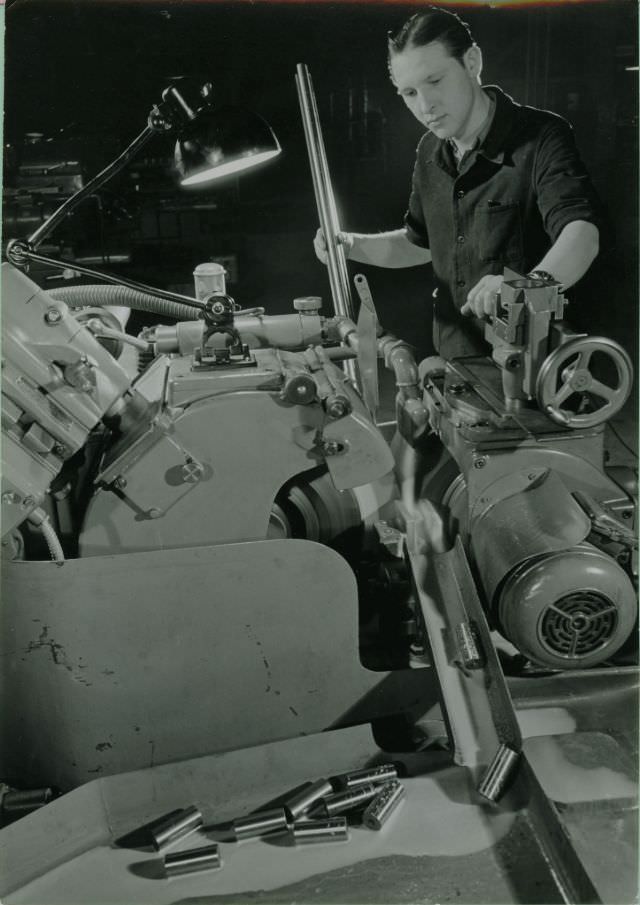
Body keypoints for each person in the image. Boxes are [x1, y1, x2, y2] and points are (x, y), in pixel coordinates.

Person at [314, 6, 602, 359]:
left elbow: (581, 235)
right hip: (456, 363)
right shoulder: (430, 150)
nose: (426, 106)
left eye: (435, 82)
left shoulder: (543, 137)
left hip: (535, 371)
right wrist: (349, 245)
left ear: (472, 62)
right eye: (409, 93)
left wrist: (525, 288)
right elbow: (420, 243)